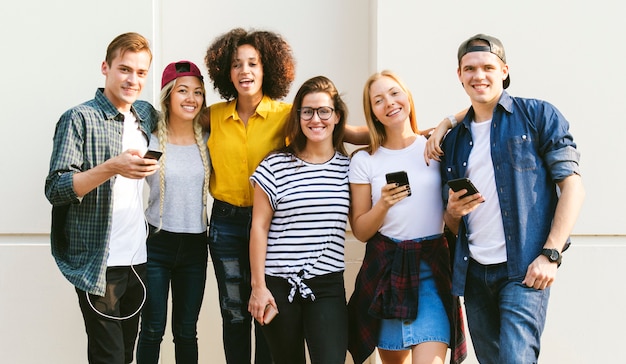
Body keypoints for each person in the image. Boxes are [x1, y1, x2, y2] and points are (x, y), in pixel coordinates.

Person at [203, 27, 368, 363]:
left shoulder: (287, 114)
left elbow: (352, 131)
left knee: (268, 317)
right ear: (226, 71)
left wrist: (418, 133)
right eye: (236, 64)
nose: (245, 71)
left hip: (274, 221)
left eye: (253, 63)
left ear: (268, 69)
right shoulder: (214, 115)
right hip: (228, 222)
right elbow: (179, 119)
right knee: (235, 313)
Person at [438, 34, 585, 364]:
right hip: (474, 274)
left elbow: (573, 187)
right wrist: (452, 212)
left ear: (504, 70)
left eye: (488, 67)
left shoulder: (537, 115)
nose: (479, 75)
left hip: (525, 270)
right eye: (470, 68)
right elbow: (449, 224)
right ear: (459, 75)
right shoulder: (454, 140)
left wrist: (551, 253)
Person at [44, 32, 159, 364]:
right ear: (105, 67)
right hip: (100, 265)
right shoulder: (78, 118)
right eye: (124, 69)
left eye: (140, 73)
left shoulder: (145, 116)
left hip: (138, 260)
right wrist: (112, 167)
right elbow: (57, 188)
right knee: (108, 357)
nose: (132, 79)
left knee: (124, 356)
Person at [347, 70, 466, 364]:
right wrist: (383, 204)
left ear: (408, 97)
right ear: (372, 112)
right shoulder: (365, 160)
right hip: (388, 269)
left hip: (432, 266)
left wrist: (444, 125)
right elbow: (361, 230)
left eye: (394, 93)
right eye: (378, 100)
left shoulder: (435, 147)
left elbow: (478, 109)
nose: (389, 102)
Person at [247, 76, 350, 364]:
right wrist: (258, 287)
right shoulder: (275, 165)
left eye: (324, 111)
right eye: (307, 111)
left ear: (337, 116)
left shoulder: (350, 168)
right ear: (298, 116)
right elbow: (259, 227)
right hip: (278, 285)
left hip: (327, 284)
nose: (315, 119)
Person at [136, 61, 211, 363]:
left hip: (196, 246)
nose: (191, 98)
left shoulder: (208, 139)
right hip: (156, 244)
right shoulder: (148, 138)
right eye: (183, 91)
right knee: (152, 329)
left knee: (186, 331)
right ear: (168, 95)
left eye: (197, 92)